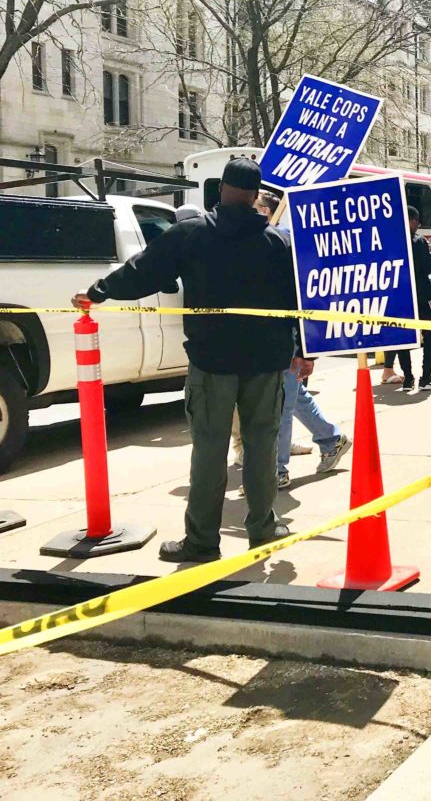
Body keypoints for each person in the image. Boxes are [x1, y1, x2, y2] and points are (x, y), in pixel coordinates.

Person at [72, 157, 302, 563]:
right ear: (254, 197)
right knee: (262, 446)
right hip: (266, 362)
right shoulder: (278, 243)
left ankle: (201, 543)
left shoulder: (191, 234)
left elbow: (142, 271)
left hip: (211, 361)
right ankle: (263, 531)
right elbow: (299, 300)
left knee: (210, 450)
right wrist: (301, 350)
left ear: (220, 190)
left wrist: (99, 291)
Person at [253, 191, 351, 490]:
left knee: (282, 403)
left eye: (257, 208)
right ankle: (331, 438)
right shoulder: (261, 241)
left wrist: (308, 350)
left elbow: (305, 295)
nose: (252, 212)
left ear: (271, 211)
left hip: (287, 337)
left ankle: (278, 470)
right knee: (292, 397)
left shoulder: (284, 243)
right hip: (269, 337)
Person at [380, 205, 431, 390]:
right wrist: (430, 256)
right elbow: (427, 268)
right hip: (422, 295)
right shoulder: (419, 241)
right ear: (412, 220)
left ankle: (408, 378)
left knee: (404, 337)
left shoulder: (391, 241)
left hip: (401, 296)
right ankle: (426, 377)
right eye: (417, 221)